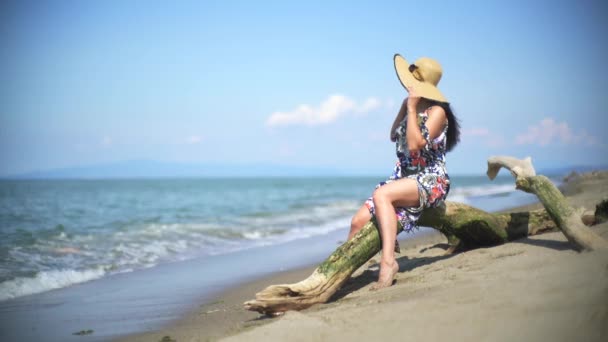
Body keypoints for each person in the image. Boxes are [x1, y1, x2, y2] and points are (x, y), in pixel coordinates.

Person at [348, 54, 460, 290]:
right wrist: (405, 107)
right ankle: (344, 273)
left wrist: (411, 109)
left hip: (430, 180)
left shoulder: (437, 112)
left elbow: (414, 144)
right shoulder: (408, 105)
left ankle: (388, 263)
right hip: (403, 178)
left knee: (382, 195)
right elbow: (392, 136)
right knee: (357, 221)